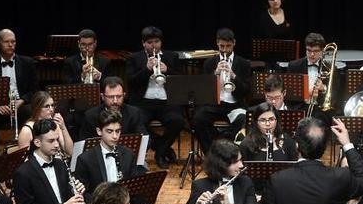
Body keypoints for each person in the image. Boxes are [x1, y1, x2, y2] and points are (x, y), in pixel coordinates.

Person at [13, 119, 85, 204]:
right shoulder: (23, 173)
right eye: (51, 141)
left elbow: (67, 198)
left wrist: (77, 191)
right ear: (37, 143)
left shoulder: (60, 164)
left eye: (57, 140)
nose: (57, 145)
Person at [125, 26, 184, 168]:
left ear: (161, 42)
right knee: (136, 121)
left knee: (177, 121)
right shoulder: (134, 58)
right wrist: (146, 70)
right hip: (143, 103)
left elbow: (182, 80)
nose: (154, 45)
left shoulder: (171, 57)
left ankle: (160, 152)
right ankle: (160, 145)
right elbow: (131, 83)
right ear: (143, 43)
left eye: (157, 41)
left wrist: (167, 71)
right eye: (150, 42)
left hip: (166, 102)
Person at [0, 29, 38, 155]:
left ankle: (29, 153)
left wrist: (21, 101)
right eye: (7, 42)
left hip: (19, 103)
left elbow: (34, 90)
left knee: (30, 111)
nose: (11, 45)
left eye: (13, 42)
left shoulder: (27, 62)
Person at [196, 28, 252, 154]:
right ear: (217, 43)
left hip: (235, 105)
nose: (225, 50)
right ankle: (210, 154)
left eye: (228, 46)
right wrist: (215, 73)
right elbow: (203, 90)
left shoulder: (244, 64)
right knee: (199, 118)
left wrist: (233, 76)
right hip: (214, 105)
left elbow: (247, 91)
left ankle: (222, 144)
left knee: (244, 119)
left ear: (234, 43)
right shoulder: (209, 63)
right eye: (222, 46)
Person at [80, 76, 149, 140]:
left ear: (124, 95)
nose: (115, 101)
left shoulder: (134, 113)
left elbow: (144, 140)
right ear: (102, 97)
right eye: (111, 97)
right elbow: (84, 143)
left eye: (119, 96)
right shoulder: (90, 115)